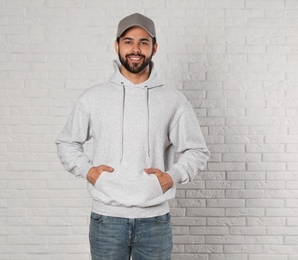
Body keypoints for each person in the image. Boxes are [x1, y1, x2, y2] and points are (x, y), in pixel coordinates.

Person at [55, 13, 209, 260]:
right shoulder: (93, 97)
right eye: (128, 41)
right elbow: (67, 142)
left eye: (143, 42)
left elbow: (197, 150)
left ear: (154, 48)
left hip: (155, 221)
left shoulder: (173, 100)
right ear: (116, 45)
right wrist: (88, 171)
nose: (135, 49)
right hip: (107, 219)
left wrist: (172, 177)